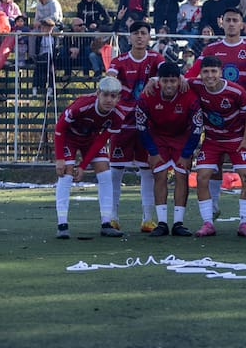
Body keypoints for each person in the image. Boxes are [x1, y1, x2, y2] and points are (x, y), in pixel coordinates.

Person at [185, 8, 246, 219]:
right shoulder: (210, 49)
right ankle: (213, 206)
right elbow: (192, 74)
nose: (231, 24)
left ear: (242, 24)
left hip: (245, 113)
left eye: (235, 20)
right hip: (217, 112)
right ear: (221, 22)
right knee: (216, 160)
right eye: (228, 20)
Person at [106, 20, 165, 232]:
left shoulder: (156, 58)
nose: (139, 37)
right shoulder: (119, 60)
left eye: (143, 33)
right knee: (115, 170)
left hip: (147, 122)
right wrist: (111, 81)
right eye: (135, 33)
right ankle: (112, 217)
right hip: (122, 121)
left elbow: (169, 75)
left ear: (149, 37)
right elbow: (110, 78)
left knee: (146, 169)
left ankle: (148, 219)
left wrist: (156, 79)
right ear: (129, 37)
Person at [189, 56, 246, 237]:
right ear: (201, 73)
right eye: (205, 71)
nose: (209, 75)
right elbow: (176, 80)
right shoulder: (195, 85)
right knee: (201, 178)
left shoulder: (235, 91)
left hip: (236, 139)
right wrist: (154, 81)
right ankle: (208, 223)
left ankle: (244, 223)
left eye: (213, 71)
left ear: (221, 72)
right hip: (212, 140)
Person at [53, 76, 126, 239]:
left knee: (106, 173)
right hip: (69, 138)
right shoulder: (82, 105)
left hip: (91, 139)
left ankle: (106, 223)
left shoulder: (118, 116)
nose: (109, 100)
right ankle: (62, 224)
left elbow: (101, 140)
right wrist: (60, 158)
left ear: (118, 98)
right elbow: (59, 129)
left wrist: (84, 165)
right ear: (98, 93)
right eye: (105, 95)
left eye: (113, 96)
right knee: (66, 174)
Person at [135, 62, 203, 237]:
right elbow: (141, 126)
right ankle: (163, 223)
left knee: (182, 175)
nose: (169, 85)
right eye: (165, 81)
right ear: (159, 81)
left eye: (173, 81)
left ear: (179, 80)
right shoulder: (147, 95)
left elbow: (197, 127)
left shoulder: (189, 95)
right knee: (160, 175)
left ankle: (178, 223)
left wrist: (187, 154)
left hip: (182, 137)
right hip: (158, 138)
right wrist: (152, 151)